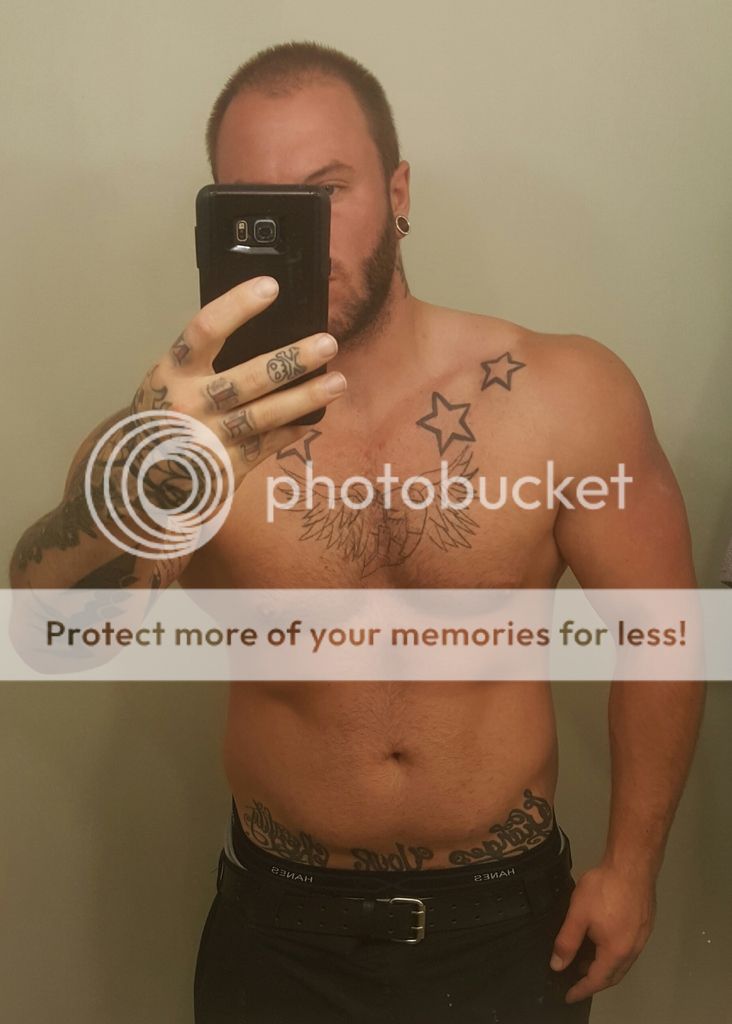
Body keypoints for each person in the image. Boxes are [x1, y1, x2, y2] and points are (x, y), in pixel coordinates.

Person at [8, 40, 705, 1024]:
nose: (304, 233)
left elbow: (665, 631)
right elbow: (49, 640)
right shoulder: (181, 429)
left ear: (399, 192)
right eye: (259, 204)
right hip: (280, 931)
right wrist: (151, 468)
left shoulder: (562, 394)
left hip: (506, 925)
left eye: (327, 191)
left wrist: (632, 867)